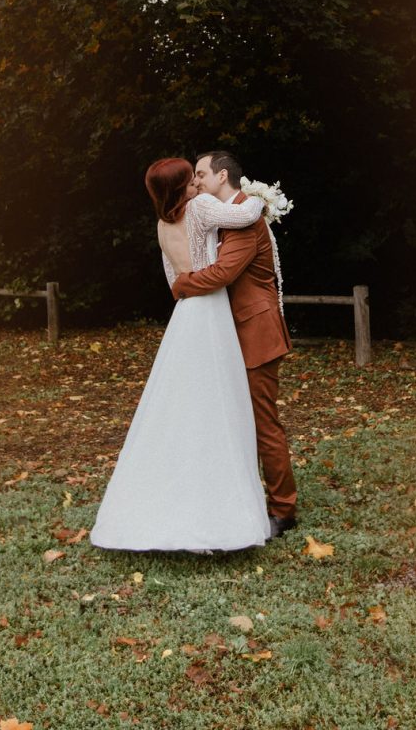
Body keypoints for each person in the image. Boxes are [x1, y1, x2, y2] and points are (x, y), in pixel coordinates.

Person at [89, 157, 271, 552]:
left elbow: (176, 280)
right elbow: (243, 216)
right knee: (219, 401)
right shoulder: (201, 208)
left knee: (182, 401)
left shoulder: (160, 226)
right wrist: (259, 196)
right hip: (212, 310)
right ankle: (219, 506)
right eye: (193, 177)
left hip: (185, 313)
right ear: (183, 184)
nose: (197, 182)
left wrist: (188, 288)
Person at [172, 150, 298, 538]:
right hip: (237, 333)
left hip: (255, 333)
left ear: (221, 176)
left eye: (201, 174)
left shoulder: (244, 217)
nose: (196, 182)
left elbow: (225, 273)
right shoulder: (228, 214)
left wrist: (181, 284)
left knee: (263, 424)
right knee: (239, 422)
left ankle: (283, 509)